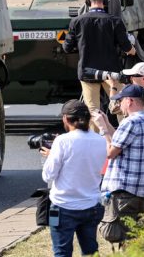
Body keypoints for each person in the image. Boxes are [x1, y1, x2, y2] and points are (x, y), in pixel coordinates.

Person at [93, 84, 144, 247]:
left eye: (120, 101)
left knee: (122, 237)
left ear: (129, 101)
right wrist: (107, 123)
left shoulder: (130, 123)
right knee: (140, 238)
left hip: (125, 193)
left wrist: (102, 129)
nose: (119, 104)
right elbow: (120, 141)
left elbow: (110, 152)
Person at [63, 0, 136, 131]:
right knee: (121, 107)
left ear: (87, 0)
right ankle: (125, 135)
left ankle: (96, 139)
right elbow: (127, 48)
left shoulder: (77, 21)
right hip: (112, 73)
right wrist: (133, 51)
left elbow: (67, 48)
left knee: (92, 110)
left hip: (87, 72)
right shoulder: (115, 21)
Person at [41, 100, 107, 257]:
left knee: (62, 252)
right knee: (91, 252)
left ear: (65, 118)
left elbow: (48, 175)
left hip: (63, 205)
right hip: (91, 204)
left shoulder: (62, 141)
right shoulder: (100, 140)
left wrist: (51, 156)